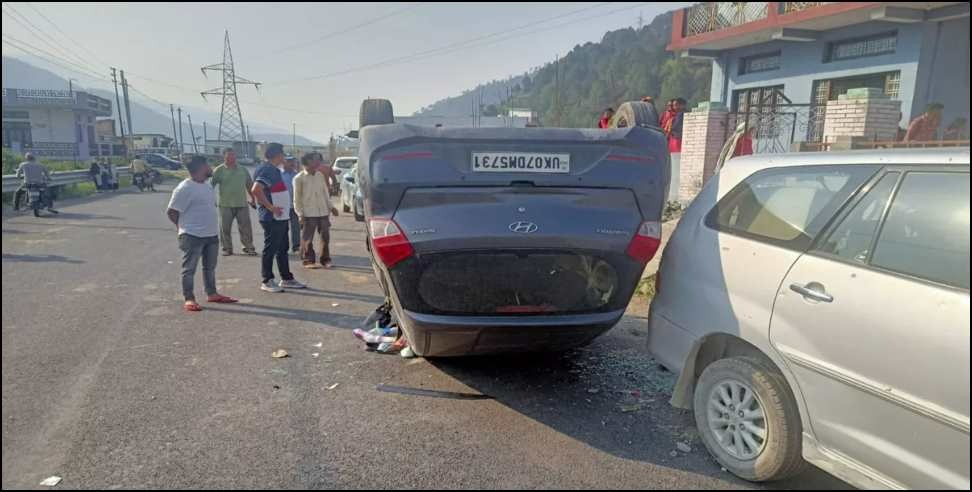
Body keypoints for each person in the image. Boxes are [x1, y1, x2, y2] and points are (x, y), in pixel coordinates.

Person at [166, 155, 238, 312]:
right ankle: (189, 299)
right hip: (192, 235)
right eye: (208, 164)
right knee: (189, 269)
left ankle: (212, 293)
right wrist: (181, 229)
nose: (210, 167)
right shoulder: (185, 188)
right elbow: (172, 211)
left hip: (211, 235)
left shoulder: (206, 185)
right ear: (201, 167)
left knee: (210, 267)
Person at [251, 143, 306, 293]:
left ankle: (286, 278)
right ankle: (267, 280)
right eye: (282, 154)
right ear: (277, 155)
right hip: (272, 217)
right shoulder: (267, 169)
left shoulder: (273, 169)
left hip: (280, 217)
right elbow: (256, 189)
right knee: (271, 248)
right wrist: (270, 207)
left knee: (282, 248)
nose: (283, 156)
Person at [293, 153, 340, 269]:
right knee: (308, 237)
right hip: (309, 212)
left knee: (325, 237)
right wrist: (300, 214)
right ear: (308, 161)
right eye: (316, 161)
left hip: (323, 211)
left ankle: (325, 260)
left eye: (319, 160)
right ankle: (308, 260)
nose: (319, 163)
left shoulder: (319, 175)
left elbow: (325, 193)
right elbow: (297, 198)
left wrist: (331, 207)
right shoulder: (299, 178)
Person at [210, 148, 258, 256]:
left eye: (233, 155)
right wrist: (210, 200)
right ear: (224, 157)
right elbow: (210, 186)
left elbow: (250, 185)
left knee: (245, 227)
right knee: (225, 228)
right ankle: (227, 248)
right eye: (229, 156)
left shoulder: (242, 169)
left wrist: (253, 199)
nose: (232, 158)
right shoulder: (219, 170)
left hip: (241, 203)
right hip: (225, 204)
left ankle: (248, 247)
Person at [282, 155, 301, 253]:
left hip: (294, 206)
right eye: (288, 161)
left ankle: (296, 246)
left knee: (296, 227)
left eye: (292, 161)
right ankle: (283, 247)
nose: (291, 163)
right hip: (283, 207)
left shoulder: (297, 175)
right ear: (284, 162)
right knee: (283, 228)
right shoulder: (279, 175)